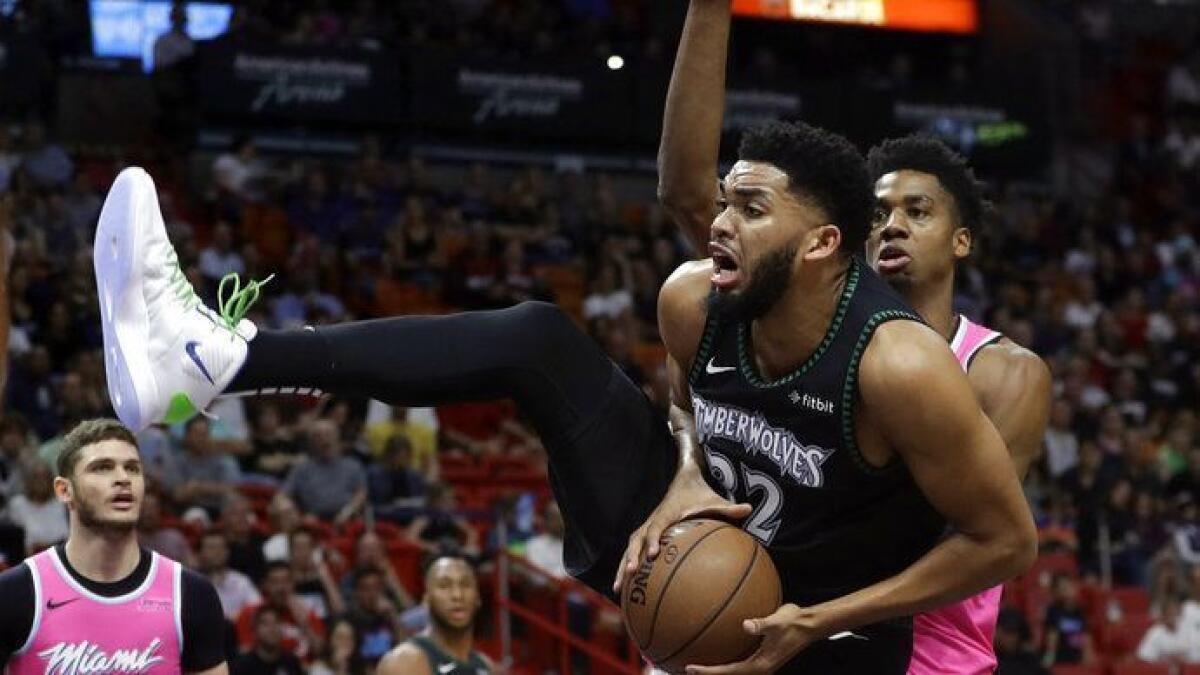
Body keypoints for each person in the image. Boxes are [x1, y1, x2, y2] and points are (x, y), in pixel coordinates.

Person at [95, 125, 1034, 674]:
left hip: (831, 632)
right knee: (539, 340)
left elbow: (1005, 542)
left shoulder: (901, 367)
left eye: (750, 208)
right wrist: (682, 478)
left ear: (824, 245)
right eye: (724, 201)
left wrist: (817, 620)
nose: (717, 221)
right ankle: (217, 360)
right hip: (704, 551)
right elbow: (693, 411)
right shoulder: (691, 300)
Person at [654, 3, 1052, 673]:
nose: (891, 224)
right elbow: (689, 194)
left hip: (925, 638)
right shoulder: (804, 309)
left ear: (962, 241)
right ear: (834, 236)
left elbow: (945, 533)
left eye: (916, 211)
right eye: (880, 210)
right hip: (784, 610)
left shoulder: (999, 370)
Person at [0, 418, 227, 673]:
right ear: (64, 490)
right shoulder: (15, 593)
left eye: (132, 468)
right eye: (102, 468)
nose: (122, 478)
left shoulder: (191, 593)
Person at [376, 555, 494, 675]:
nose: (457, 595)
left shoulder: (487, 666)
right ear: (426, 600)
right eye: (444, 586)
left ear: (478, 598)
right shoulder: (404, 662)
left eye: (465, 585)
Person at [230, 606, 305, 675]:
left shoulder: (291, 662)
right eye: (265, 623)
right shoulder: (241, 666)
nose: (272, 628)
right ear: (254, 631)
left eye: (276, 622)